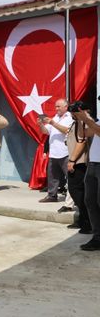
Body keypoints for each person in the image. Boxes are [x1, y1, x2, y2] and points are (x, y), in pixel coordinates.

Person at [71, 106, 100, 251]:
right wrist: (80, 120)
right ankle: (97, 237)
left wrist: (86, 119)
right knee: (90, 201)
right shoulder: (98, 120)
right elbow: (84, 134)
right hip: (93, 165)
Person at [38, 99, 73, 202]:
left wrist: (53, 123)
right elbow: (46, 131)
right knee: (53, 176)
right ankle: (52, 195)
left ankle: (72, 198)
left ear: (66, 107)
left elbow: (67, 130)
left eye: (59, 106)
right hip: (54, 152)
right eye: (56, 106)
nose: (56, 108)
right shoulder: (56, 117)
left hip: (65, 152)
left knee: (70, 176)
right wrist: (40, 124)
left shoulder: (70, 117)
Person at [63, 106, 91, 233]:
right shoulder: (76, 122)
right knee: (76, 191)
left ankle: (87, 222)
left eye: (74, 112)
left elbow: (82, 141)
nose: (72, 114)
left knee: (78, 191)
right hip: (75, 161)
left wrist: (72, 160)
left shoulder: (84, 122)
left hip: (80, 162)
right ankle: (83, 220)